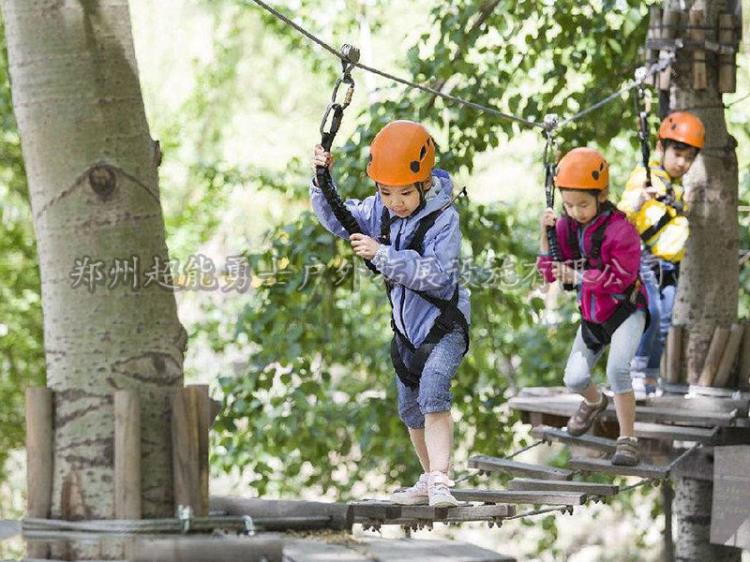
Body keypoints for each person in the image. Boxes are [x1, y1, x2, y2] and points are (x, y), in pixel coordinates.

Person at [310, 120, 470, 506]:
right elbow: (339, 218)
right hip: (406, 333)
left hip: (443, 328)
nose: (395, 201)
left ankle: (441, 479)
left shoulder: (443, 219)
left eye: (404, 193)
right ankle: (427, 477)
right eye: (385, 191)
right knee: (410, 408)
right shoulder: (380, 211)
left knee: (433, 391)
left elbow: (438, 275)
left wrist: (382, 255)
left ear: (425, 183)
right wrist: (320, 181)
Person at [538, 147, 648, 466]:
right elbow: (550, 273)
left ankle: (627, 439)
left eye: (583, 204)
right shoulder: (567, 227)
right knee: (573, 378)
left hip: (625, 309)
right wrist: (545, 240)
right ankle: (595, 402)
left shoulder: (621, 230)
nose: (576, 212)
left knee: (618, 370)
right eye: (569, 205)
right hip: (592, 314)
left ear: (601, 195)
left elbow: (621, 278)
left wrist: (580, 275)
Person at [618, 111, 704, 395]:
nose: (682, 162)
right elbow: (621, 215)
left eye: (689, 157)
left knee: (664, 321)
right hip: (644, 258)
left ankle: (650, 377)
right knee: (650, 314)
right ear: (660, 148)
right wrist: (639, 199)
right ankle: (633, 375)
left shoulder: (676, 190)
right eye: (677, 153)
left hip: (669, 265)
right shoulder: (646, 178)